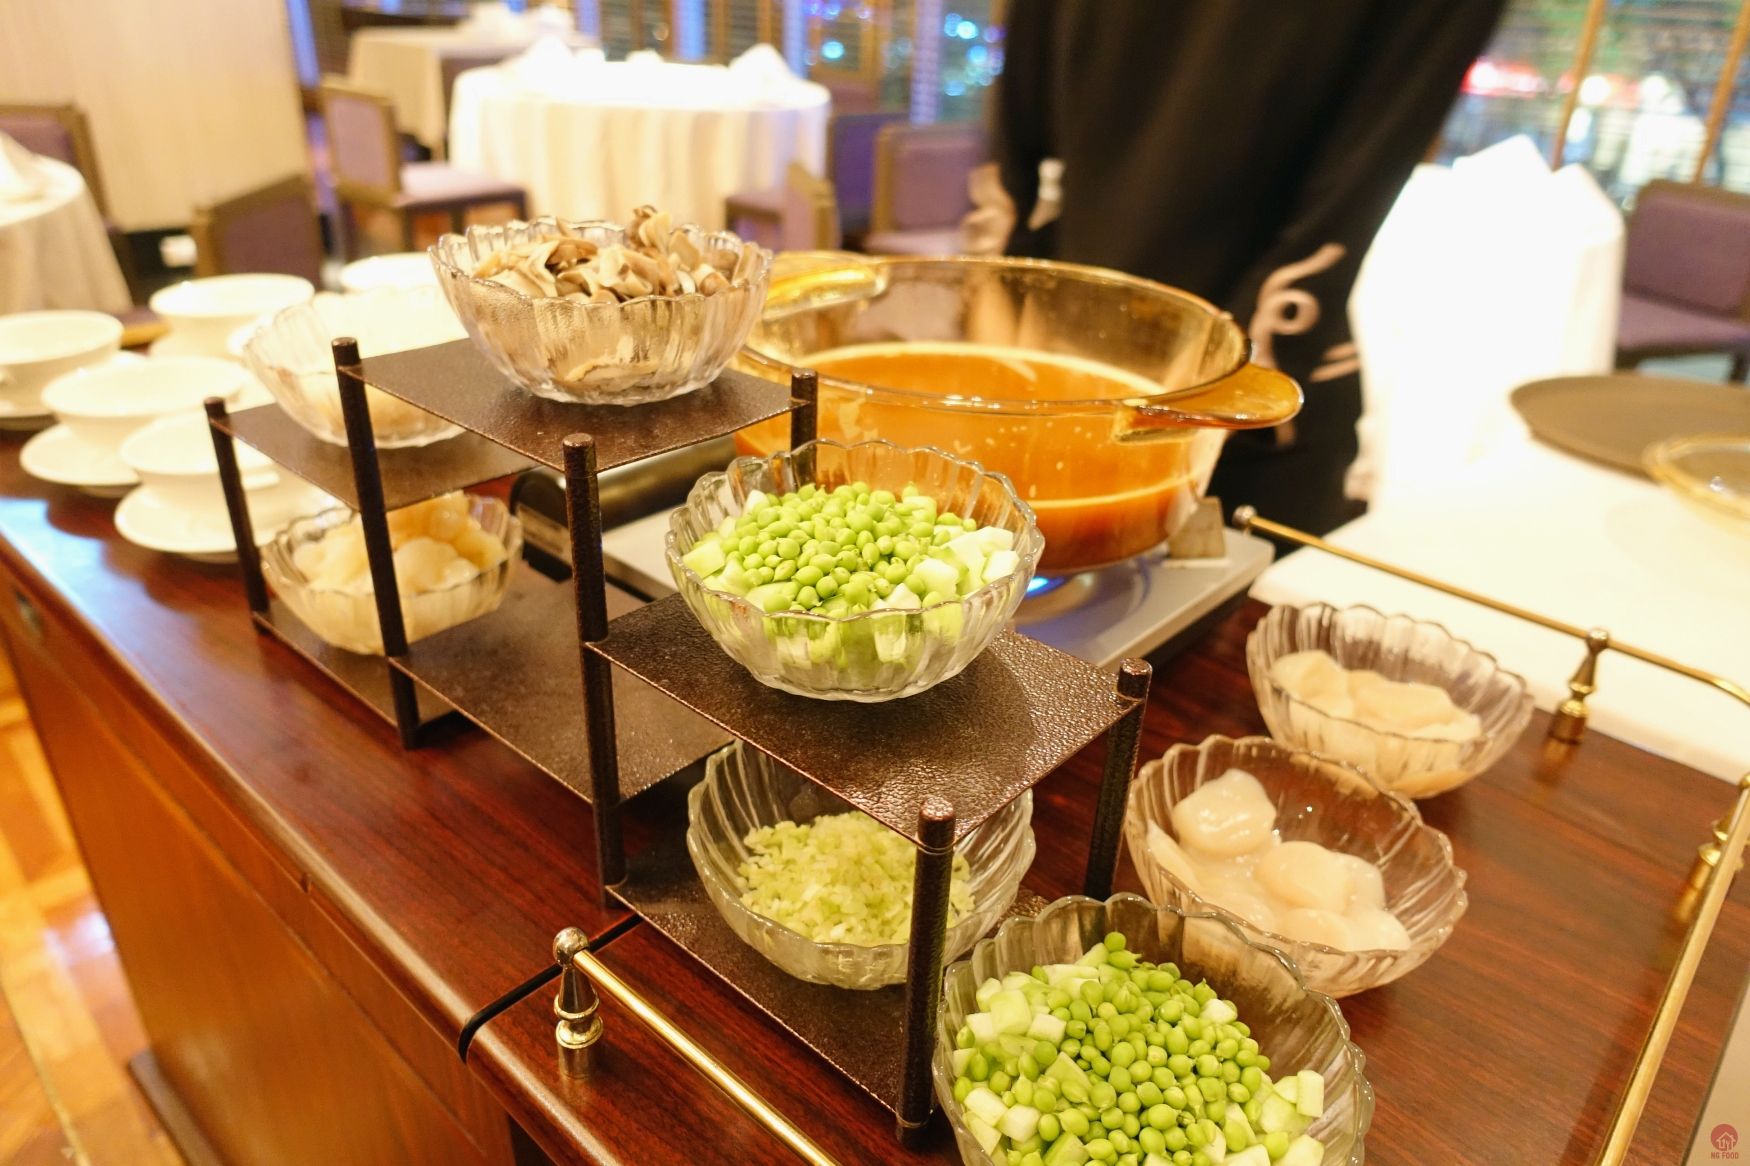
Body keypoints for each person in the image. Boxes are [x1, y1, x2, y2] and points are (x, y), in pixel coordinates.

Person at [986, 0, 1506, 534]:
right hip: (1049, 370)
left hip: (1245, 401)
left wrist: (1224, 378)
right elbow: (1017, 147)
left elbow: (1350, 193)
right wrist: (1002, 311)